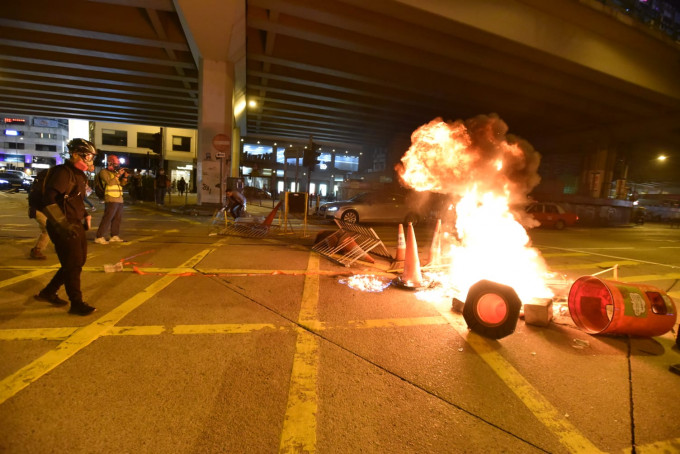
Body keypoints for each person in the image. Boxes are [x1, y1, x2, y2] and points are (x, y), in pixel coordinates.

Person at [35, 138, 96, 316]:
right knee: (73, 265)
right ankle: (76, 303)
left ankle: (48, 292)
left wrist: (85, 214)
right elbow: (48, 199)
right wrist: (62, 224)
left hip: (75, 223)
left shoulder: (80, 174)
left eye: (92, 156)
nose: (90, 160)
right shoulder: (63, 173)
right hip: (62, 225)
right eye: (87, 156)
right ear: (75, 154)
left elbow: (75, 198)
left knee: (77, 262)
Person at [95, 155, 128, 244]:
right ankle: (99, 236)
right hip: (110, 198)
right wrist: (118, 175)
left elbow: (122, 184)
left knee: (117, 218)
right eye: (116, 162)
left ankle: (114, 235)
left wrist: (124, 177)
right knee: (108, 217)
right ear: (110, 162)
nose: (118, 164)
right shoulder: (104, 172)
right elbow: (109, 182)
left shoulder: (114, 173)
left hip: (119, 199)